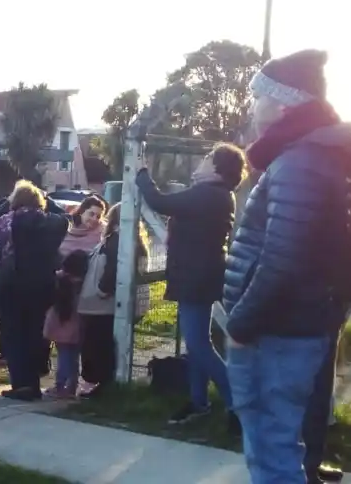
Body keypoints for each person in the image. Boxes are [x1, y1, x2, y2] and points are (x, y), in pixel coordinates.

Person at [223, 50, 351, 484]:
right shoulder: (313, 155)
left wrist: (240, 324)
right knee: (281, 447)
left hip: (273, 332)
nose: (253, 107)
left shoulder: (300, 161)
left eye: (258, 97)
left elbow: (283, 258)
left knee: (270, 453)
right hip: (294, 326)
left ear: (284, 103)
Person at [136, 144, 245, 430]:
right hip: (201, 276)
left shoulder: (209, 194)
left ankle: (238, 405)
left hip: (196, 278)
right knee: (197, 344)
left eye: (209, 158)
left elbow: (158, 202)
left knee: (198, 344)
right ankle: (200, 403)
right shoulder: (217, 194)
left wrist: (141, 173)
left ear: (219, 167)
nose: (203, 160)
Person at [0, 180, 69, 402]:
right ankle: (35, 380)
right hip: (42, 285)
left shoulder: (5, 222)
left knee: (14, 336)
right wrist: (46, 200)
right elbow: (63, 215)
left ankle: (22, 384)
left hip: (11, 284)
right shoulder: (52, 223)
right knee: (36, 333)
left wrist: (8, 203)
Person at [77, 203, 147, 397]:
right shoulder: (131, 240)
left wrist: (101, 290)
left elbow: (112, 270)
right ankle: (104, 385)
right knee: (105, 345)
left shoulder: (115, 240)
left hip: (101, 304)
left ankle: (99, 386)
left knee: (96, 346)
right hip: (108, 304)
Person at [43, 250, 90, 399]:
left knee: (63, 355)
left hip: (59, 323)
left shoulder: (59, 280)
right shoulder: (85, 283)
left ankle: (60, 385)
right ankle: (71, 387)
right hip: (77, 323)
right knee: (74, 357)